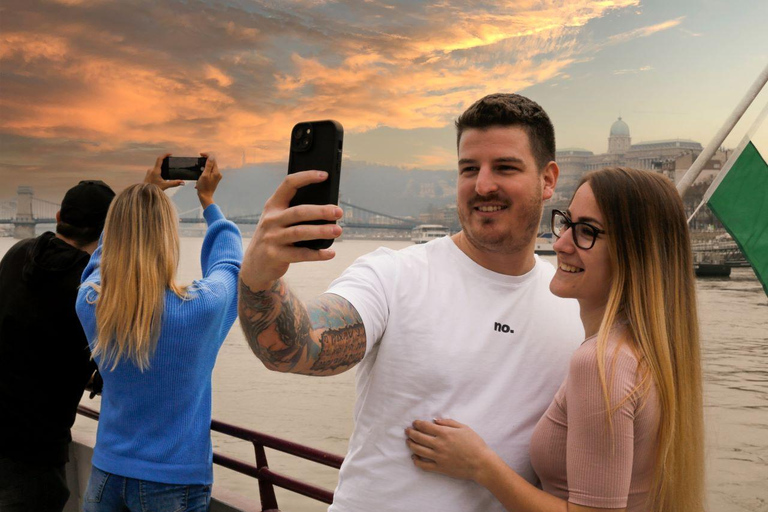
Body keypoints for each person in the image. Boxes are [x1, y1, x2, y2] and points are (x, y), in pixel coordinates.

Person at [238, 93, 584, 512]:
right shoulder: (394, 275)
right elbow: (296, 347)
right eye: (468, 168)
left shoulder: (576, 305)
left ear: (548, 180)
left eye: (505, 167)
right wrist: (259, 279)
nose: (483, 185)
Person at [405, 167, 704, 512]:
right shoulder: (655, 352)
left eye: (587, 232)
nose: (560, 244)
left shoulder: (600, 362)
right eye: (566, 223)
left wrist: (480, 464)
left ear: (635, 254)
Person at [75, 155, 243, 512]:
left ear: (114, 235)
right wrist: (209, 202)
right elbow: (230, 264)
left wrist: (142, 196)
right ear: (169, 237)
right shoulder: (199, 307)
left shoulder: (91, 302)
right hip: (172, 484)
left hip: (106, 474)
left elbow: (98, 264)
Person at [0, 180, 115, 512]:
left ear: (58, 215)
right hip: (35, 450)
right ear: (109, 231)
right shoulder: (89, 288)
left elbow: (29, 336)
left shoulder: (17, 254)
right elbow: (114, 367)